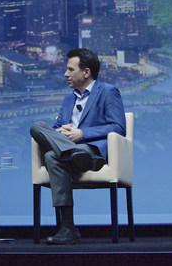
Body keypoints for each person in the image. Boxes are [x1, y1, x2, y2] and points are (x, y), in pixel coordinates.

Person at [30, 48, 126, 245]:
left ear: (86, 72)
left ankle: (67, 227)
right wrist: (61, 132)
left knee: (51, 157)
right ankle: (71, 153)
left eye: (70, 69)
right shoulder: (68, 99)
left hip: (90, 150)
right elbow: (55, 127)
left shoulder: (108, 92)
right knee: (37, 127)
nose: (66, 74)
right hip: (77, 154)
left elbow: (118, 127)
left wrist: (82, 134)